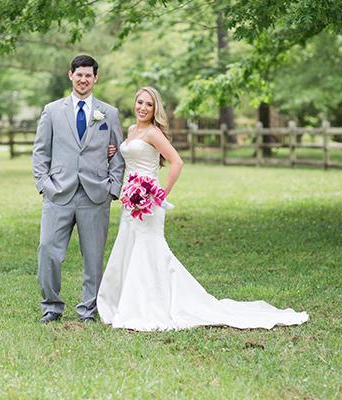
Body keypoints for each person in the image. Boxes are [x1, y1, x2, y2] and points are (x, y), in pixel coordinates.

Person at [97, 87, 309, 331]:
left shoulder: (154, 133)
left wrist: (159, 195)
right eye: (140, 102)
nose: (143, 108)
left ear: (155, 109)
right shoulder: (133, 130)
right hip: (130, 199)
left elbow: (177, 162)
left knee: (148, 249)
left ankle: (148, 307)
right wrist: (115, 151)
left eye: (149, 104)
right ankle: (126, 302)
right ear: (134, 103)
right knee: (129, 247)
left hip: (149, 201)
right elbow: (130, 156)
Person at [33, 55, 125, 323]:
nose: (83, 79)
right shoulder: (52, 111)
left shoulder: (108, 113)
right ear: (70, 75)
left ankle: (89, 309)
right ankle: (51, 306)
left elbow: (117, 153)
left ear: (95, 78)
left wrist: (113, 188)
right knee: (48, 249)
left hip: (95, 194)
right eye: (79, 74)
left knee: (93, 257)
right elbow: (40, 152)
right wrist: (44, 185)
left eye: (88, 75)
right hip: (58, 193)